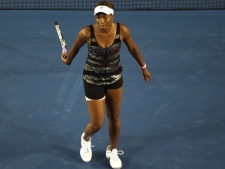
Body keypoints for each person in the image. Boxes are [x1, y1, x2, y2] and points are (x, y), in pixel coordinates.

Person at [61, 1, 151, 168]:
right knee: (97, 124)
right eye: (98, 17)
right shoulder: (86, 32)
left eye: (104, 17)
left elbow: (133, 49)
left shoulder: (122, 30)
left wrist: (143, 67)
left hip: (114, 78)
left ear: (112, 16)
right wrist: (65, 57)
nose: (101, 20)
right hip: (92, 80)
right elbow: (69, 59)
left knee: (115, 118)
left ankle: (113, 150)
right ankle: (85, 138)